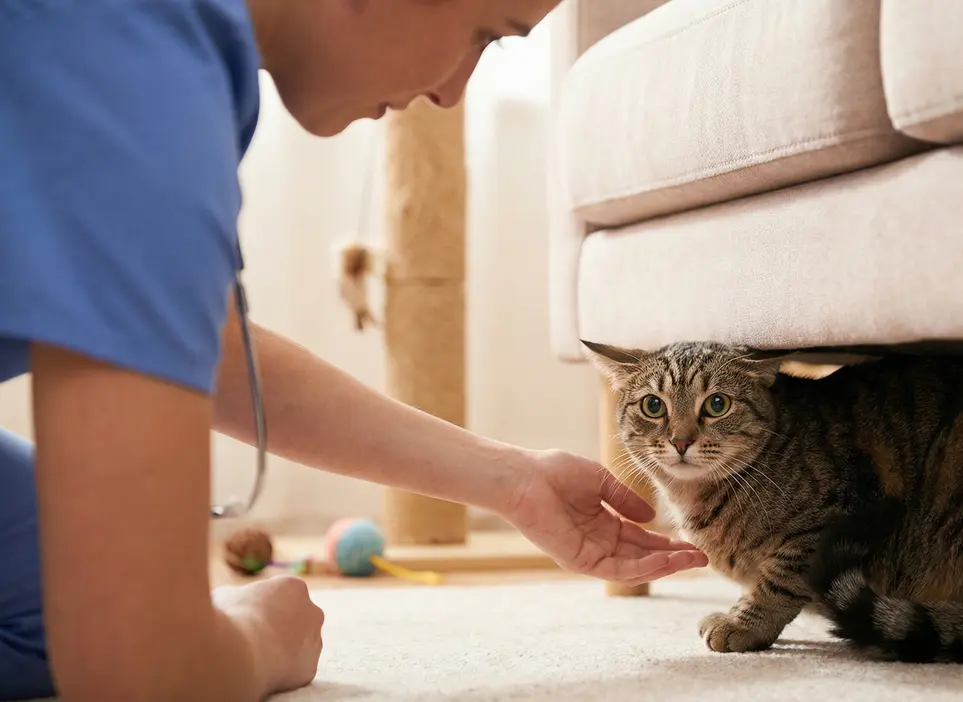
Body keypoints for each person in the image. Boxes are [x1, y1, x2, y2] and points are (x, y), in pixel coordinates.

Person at [0, 1, 708, 700]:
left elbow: (201, 345)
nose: (452, 92)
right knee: (113, 613)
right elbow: (141, 674)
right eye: (484, 35)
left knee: (62, 600)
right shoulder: (135, 60)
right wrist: (259, 638)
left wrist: (513, 480)